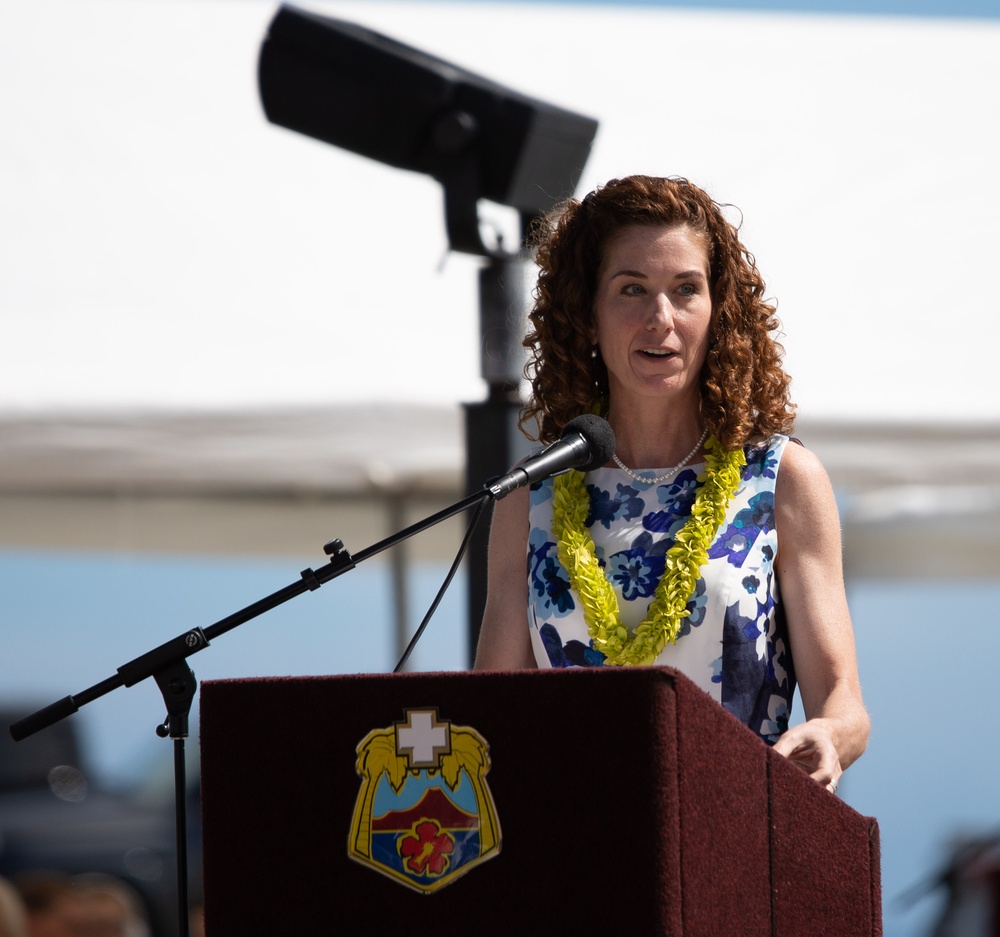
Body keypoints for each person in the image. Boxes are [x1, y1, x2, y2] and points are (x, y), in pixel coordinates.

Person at [474, 174, 870, 793]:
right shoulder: (531, 495)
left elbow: (845, 705)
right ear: (588, 314)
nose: (661, 318)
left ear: (717, 311)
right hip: (573, 838)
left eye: (685, 290)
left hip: (733, 831)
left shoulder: (782, 478)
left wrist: (830, 735)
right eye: (632, 289)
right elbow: (490, 720)